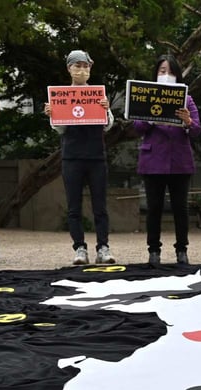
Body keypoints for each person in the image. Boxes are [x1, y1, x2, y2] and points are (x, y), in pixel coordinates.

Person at [47, 49, 115, 266]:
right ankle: (79, 248)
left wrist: (106, 109)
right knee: (73, 206)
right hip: (72, 156)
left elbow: (107, 125)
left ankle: (103, 247)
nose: (82, 70)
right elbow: (60, 129)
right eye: (77, 66)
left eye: (85, 66)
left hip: (96, 156)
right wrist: (53, 113)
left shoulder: (98, 95)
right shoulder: (61, 96)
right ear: (69, 68)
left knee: (100, 206)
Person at [132, 55, 201, 266]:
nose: (166, 75)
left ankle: (182, 250)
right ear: (155, 74)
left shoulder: (187, 99)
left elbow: (197, 130)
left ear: (178, 75)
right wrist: (151, 118)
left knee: (180, 208)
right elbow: (137, 126)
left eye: (170, 72)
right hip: (153, 160)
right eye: (162, 71)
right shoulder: (146, 96)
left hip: (179, 160)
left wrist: (188, 121)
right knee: (154, 208)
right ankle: (154, 251)